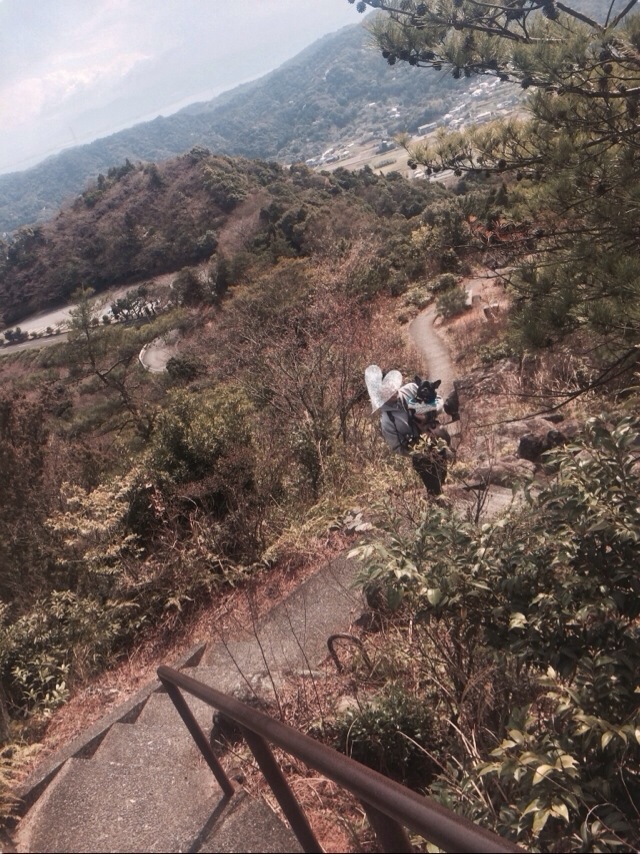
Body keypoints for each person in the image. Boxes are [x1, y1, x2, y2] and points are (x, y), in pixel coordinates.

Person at [370, 369, 450, 496]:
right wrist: (421, 449)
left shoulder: (412, 389)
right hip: (421, 456)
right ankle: (436, 498)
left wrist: (428, 412)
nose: (392, 390)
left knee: (443, 475)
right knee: (434, 489)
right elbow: (398, 447)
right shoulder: (387, 422)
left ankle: (444, 490)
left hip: (436, 439)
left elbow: (439, 400)